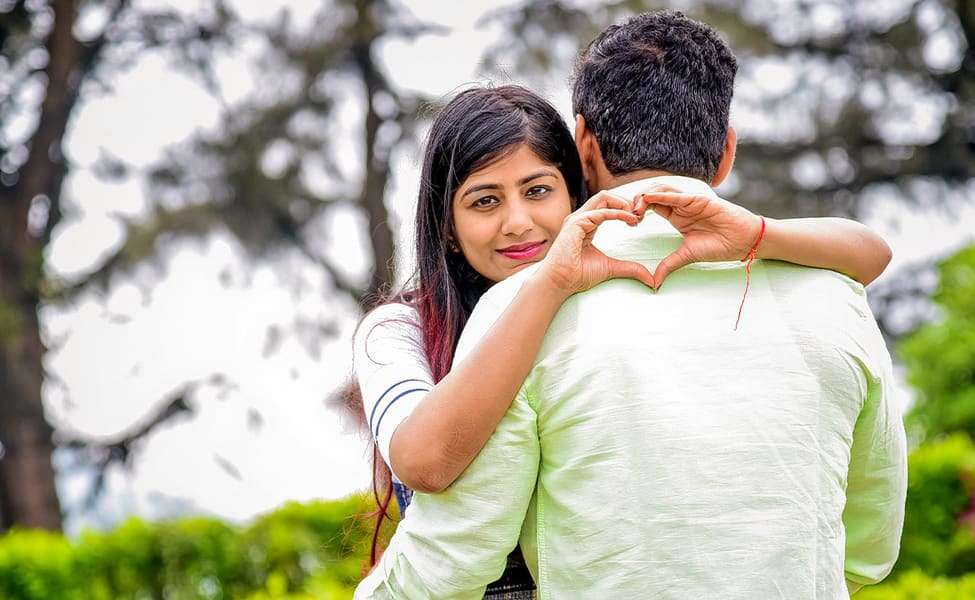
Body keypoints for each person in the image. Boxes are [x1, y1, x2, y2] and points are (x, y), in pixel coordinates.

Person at [353, 10, 906, 600]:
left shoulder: (530, 308)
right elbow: (871, 547)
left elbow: (457, 550)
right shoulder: (835, 296)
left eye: (538, 190)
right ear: (726, 152)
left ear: (582, 156)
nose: (519, 222)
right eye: (485, 200)